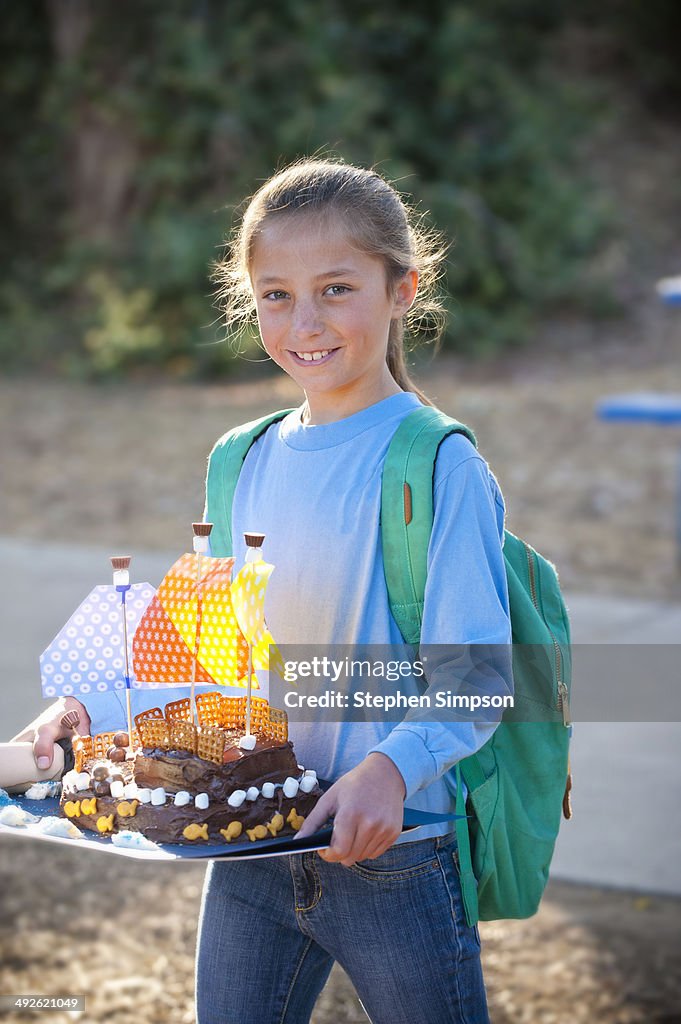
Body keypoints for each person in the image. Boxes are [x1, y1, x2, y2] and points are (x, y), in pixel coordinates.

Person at [15, 158, 512, 1024]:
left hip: (390, 852)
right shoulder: (238, 458)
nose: (304, 322)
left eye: (336, 288)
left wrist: (391, 770)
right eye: (274, 294)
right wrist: (83, 707)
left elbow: (478, 676)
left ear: (403, 289)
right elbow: (197, 647)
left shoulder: (437, 464)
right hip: (248, 843)